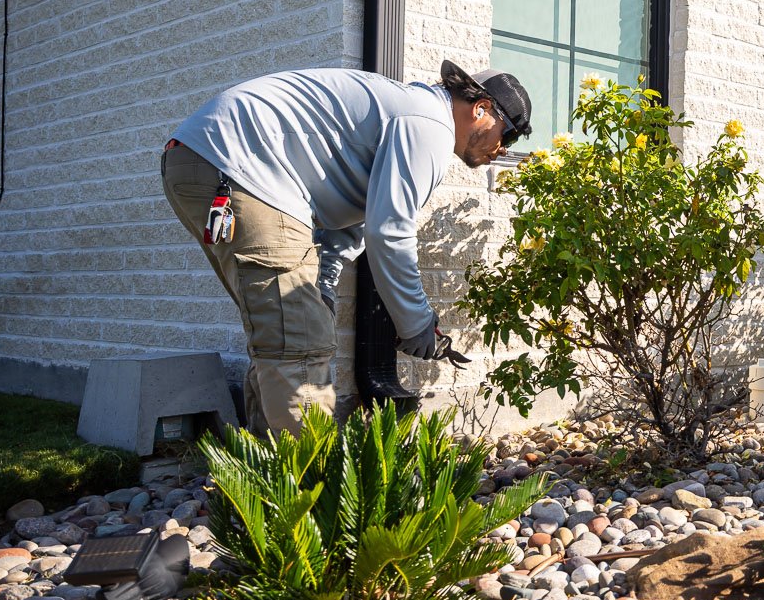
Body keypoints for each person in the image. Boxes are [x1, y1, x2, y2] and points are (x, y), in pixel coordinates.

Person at [161, 59, 531, 433]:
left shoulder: (414, 116)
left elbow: (354, 224)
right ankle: (313, 484)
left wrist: (323, 282)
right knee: (300, 340)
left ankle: (266, 477)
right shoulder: (429, 125)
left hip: (203, 161)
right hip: (239, 168)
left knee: (285, 331)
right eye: (510, 133)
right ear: (481, 108)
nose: (504, 149)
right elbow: (390, 233)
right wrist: (416, 321)